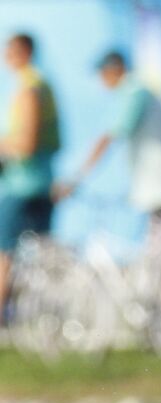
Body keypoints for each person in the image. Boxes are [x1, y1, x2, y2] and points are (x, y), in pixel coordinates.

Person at [53, 50, 161, 247]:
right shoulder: (142, 90)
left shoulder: (134, 91)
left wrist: (76, 177)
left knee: (158, 257)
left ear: (115, 70)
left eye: (103, 74)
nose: (102, 81)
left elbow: (110, 137)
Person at [0, 33, 61, 318]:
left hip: (22, 185)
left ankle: (3, 317)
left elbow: (25, 144)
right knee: (42, 255)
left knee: (5, 254)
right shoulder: (42, 86)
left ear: (23, 52)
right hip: (43, 182)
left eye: (9, 52)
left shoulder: (29, 88)